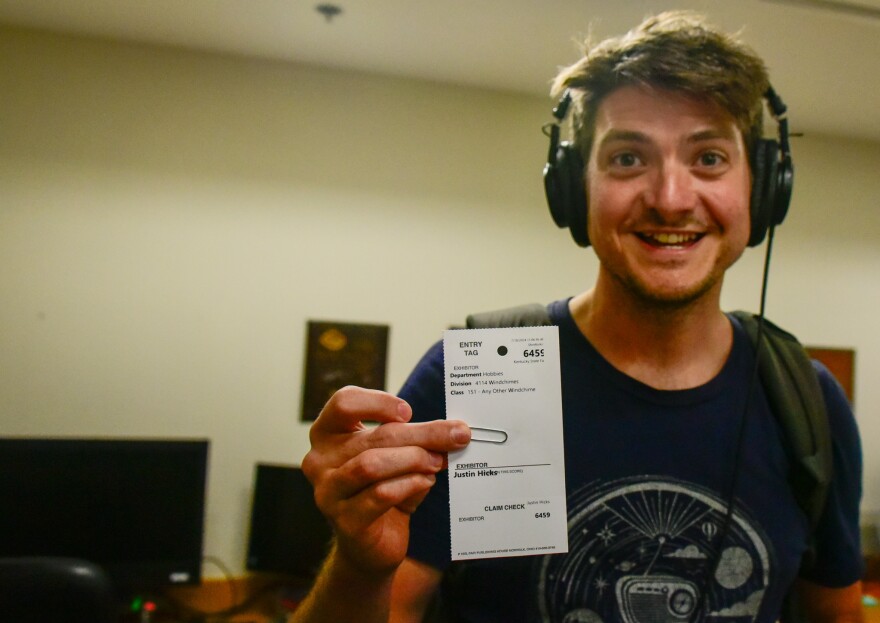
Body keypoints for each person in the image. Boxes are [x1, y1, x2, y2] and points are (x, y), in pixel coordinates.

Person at [292, 11, 864, 623]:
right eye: (626, 158)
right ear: (572, 189)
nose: (671, 198)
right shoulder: (472, 383)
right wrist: (357, 568)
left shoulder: (807, 403)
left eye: (710, 158)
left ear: (762, 188)